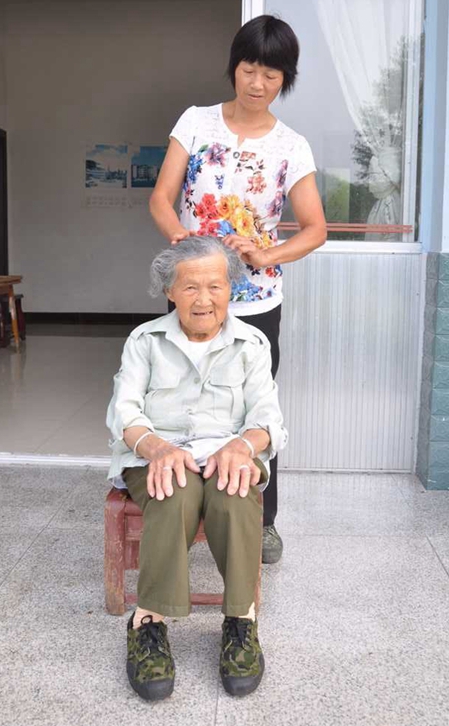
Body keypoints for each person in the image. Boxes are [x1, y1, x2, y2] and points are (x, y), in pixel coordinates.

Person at [149, 14, 327, 564]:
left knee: (255, 407)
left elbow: (315, 228)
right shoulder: (196, 122)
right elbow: (161, 198)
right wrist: (181, 239)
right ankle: (175, 505)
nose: (257, 83)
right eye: (249, 69)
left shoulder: (292, 146)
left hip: (256, 301)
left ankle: (263, 520)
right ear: (234, 68)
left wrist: (267, 254)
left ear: (285, 79)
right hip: (192, 291)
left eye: (271, 75)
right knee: (177, 394)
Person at [107, 237, 287, 701]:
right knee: (175, 488)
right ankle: (148, 622)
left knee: (234, 490)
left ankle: (241, 620)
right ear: (170, 291)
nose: (204, 299)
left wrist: (242, 446)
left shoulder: (252, 344)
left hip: (228, 453)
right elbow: (124, 412)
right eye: (190, 287)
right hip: (155, 455)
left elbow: (268, 419)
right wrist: (156, 447)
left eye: (215, 286)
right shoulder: (145, 341)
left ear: (231, 289)